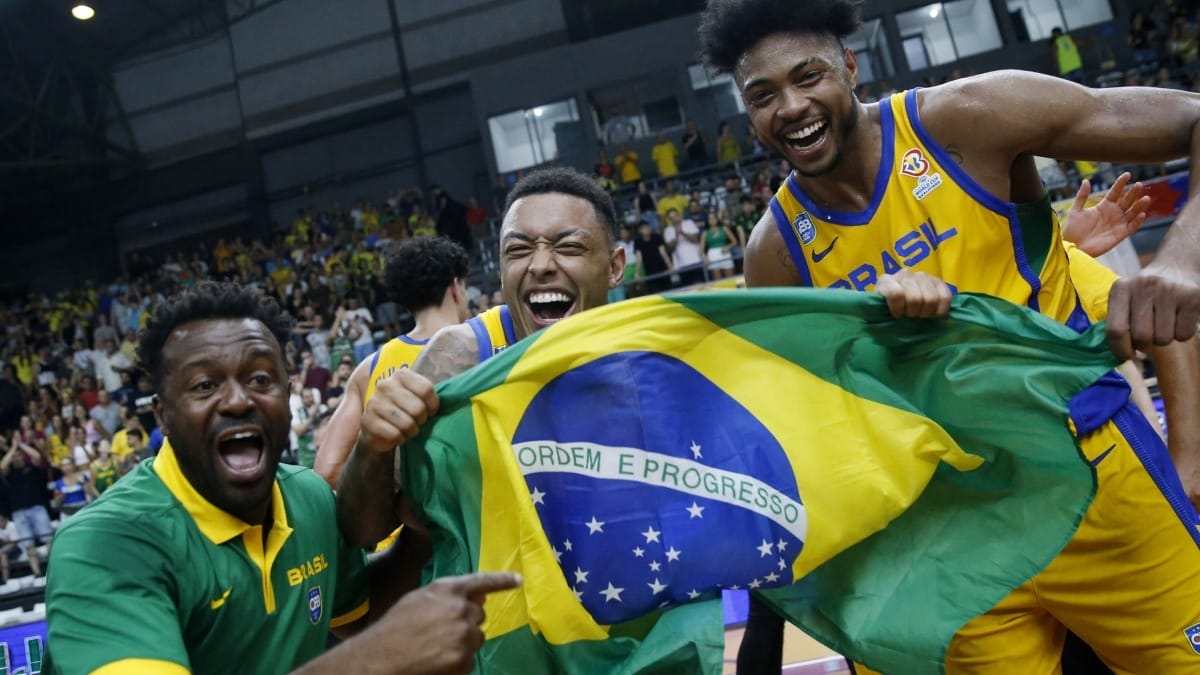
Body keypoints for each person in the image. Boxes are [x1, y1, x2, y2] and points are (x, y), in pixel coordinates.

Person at [697, 0, 1200, 671]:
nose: (789, 106)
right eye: (763, 95)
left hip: (1094, 478)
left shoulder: (966, 116)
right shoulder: (776, 252)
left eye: (807, 76)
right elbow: (823, 434)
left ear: (850, 66)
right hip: (949, 536)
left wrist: (1181, 256)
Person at [46, 281, 521, 675]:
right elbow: (370, 650)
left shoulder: (309, 498)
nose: (237, 401)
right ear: (163, 416)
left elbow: (356, 616)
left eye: (259, 379)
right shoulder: (108, 542)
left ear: (287, 395)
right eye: (205, 385)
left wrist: (418, 539)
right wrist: (372, 662)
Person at [336, 166, 625, 548]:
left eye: (568, 247)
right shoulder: (461, 356)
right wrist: (371, 448)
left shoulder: (656, 353)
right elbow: (362, 533)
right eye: (518, 250)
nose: (539, 266)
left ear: (615, 267)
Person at [314, 237, 473, 488]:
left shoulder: (368, 369)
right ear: (455, 288)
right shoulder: (487, 342)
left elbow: (326, 472)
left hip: (400, 523)